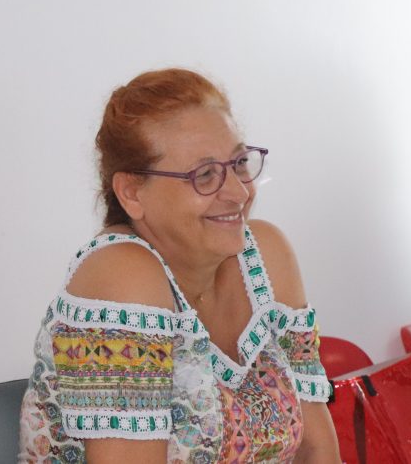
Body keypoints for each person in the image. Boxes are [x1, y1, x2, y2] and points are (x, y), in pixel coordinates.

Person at [18, 68, 339, 463]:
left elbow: (317, 447)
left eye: (239, 162)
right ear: (132, 193)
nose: (239, 192)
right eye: (205, 175)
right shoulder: (122, 277)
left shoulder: (266, 254)